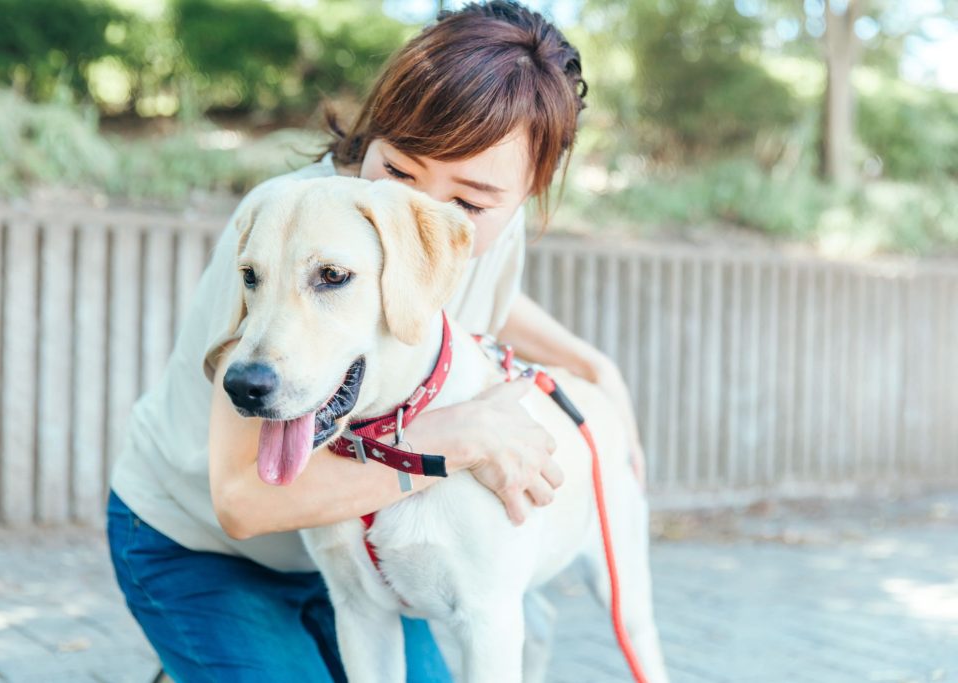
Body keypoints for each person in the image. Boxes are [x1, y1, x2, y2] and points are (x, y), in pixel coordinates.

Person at [106, 2, 646, 681]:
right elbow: (243, 501)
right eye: (401, 171)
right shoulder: (282, 226)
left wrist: (592, 364)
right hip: (198, 541)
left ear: (523, 200)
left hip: (352, 555)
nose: (416, 220)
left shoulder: (464, 239)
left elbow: (463, 295)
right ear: (370, 139)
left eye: (470, 204)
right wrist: (451, 439)